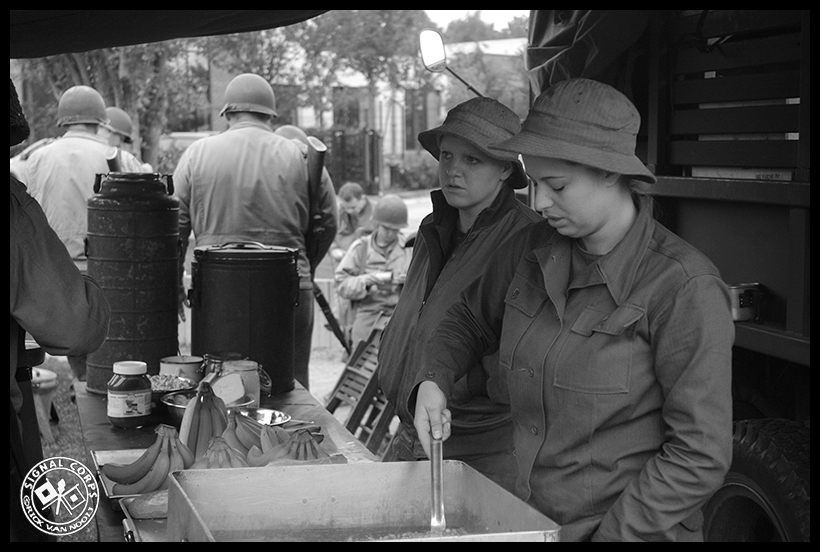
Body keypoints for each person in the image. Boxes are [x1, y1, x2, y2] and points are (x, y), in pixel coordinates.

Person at [412, 79, 734, 541]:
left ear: (610, 173)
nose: (540, 202)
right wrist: (433, 380)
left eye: (557, 185)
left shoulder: (683, 286)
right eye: (535, 183)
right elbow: (467, 318)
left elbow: (698, 455)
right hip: (531, 524)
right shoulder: (531, 247)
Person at [378, 97, 542, 493]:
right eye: (447, 155)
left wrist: (466, 384)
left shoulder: (528, 241)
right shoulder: (431, 227)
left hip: (480, 449)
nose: (453, 170)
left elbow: (531, 358)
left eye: (472, 160)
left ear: (505, 169)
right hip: (409, 429)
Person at [173, 73, 337, 390]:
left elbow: (174, 228)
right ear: (270, 115)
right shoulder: (302, 156)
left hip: (217, 291)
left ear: (227, 113)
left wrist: (175, 283)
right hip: (289, 285)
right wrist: (306, 263)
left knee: (217, 390)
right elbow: (329, 222)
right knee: (290, 389)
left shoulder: (197, 153)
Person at [10, 78, 111, 541]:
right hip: (64, 284)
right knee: (97, 392)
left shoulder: (37, 160)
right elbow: (77, 325)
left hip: (45, 281)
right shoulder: (115, 156)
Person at [23, 84, 111, 385]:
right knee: (110, 343)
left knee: (77, 345)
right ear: (99, 121)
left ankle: (82, 385)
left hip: (57, 270)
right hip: (107, 266)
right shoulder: (115, 157)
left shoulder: (37, 159)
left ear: (64, 120)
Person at [334, 194, 412, 349]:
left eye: (395, 230)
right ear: (377, 224)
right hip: (368, 315)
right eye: (386, 228)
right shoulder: (361, 249)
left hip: (400, 317)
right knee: (361, 361)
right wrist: (367, 280)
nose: (390, 234)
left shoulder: (409, 249)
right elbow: (341, 283)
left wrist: (409, 281)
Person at [330, 181, 376, 263]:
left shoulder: (376, 211)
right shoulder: (340, 211)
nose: (349, 211)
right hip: (344, 258)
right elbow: (331, 234)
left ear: (363, 199)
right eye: (345, 207)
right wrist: (333, 249)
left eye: (353, 207)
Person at [98, 106, 153, 172]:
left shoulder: (86, 149)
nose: (120, 144)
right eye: (121, 139)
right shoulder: (125, 158)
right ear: (109, 131)